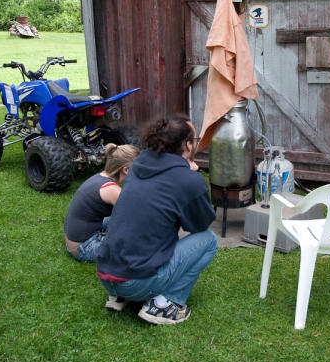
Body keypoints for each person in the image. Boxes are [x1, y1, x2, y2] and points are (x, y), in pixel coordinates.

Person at [95, 114, 218, 325]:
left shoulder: (137, 165)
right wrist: (191, 181)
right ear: (188, 145)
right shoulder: (190, 180)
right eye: (195, 141)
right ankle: (165, 305)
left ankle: (119, 296)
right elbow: (199, 225)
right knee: (209, 240)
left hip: (106, 274)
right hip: (136, 283)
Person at [63, 143, 139, 263]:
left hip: (76, 239)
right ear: (126, 170)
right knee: (136, 243)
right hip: (84, 248)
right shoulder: (112, 190)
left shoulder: (101, 177)